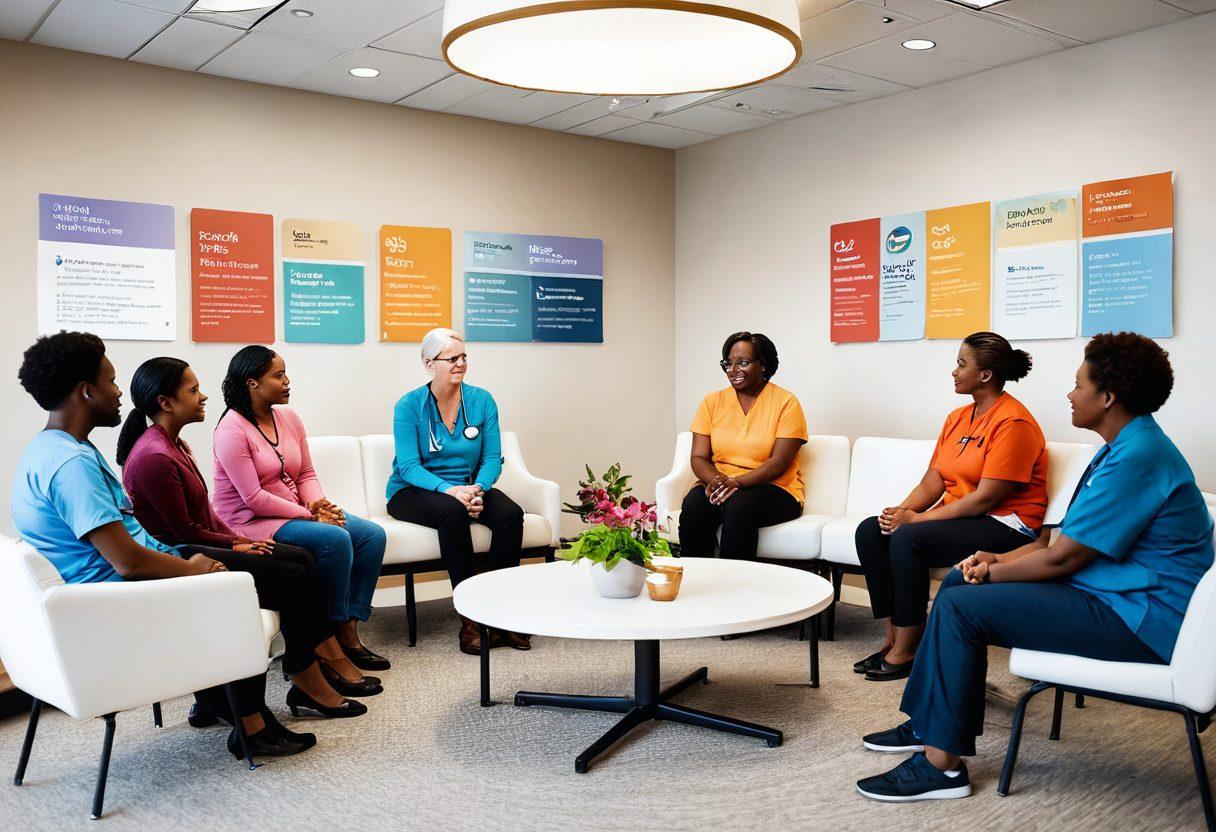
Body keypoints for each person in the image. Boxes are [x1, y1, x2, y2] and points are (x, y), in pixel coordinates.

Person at [856, 332, 1214, 803]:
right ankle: (930, 725)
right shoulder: (1122, 449)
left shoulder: (1138, 459)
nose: (1069, 394)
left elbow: (1063, 559)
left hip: (1143, 619)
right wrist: (996, 559)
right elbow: (1068, 544)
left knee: (964, 603)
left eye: (1078, 384)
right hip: (1114, 597)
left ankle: (941, 767)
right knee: (959, 588)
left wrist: (992, 571)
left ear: (1107, 398)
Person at [10, 332, 313, 759]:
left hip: (124, 581)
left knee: (286, 569)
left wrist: (199, 556)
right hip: (123, 598)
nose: (120, 393)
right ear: (86, 391)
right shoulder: (71, 465)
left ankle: (221, 699)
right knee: (251, 582)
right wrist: (196, 568)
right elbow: (128, 561)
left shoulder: (51, 448)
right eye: (112, 382)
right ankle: (250, 722)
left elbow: (130, 544)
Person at [117, 357, 376, 719]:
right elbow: (182, 533)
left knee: (301, 560)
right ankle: (308, 672)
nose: (203, 396)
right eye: (192, 391)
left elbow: (204, 515)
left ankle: (315, 662)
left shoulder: (174, 444)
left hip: (203, 541)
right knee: (296, 571)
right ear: (165, 403)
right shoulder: (155, 456)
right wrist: (236, 542)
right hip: (182, 556)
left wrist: (235, 538)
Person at [854, 332, 1048, 681]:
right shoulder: (957, 417)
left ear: (985, 375)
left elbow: (986, 498)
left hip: (1007, 524)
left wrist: (916, 521)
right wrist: (900, 512)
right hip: (966, 515)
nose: (954, 372)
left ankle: (909, 649)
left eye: (962, 364)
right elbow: (935, 479)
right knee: (873, 530)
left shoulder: (1014, 422)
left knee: (908, 538)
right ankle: (894, 636)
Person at [211, 346, 390, 672]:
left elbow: (305, 473)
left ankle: (348, 629)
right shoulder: (231, 430)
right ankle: (327, 639)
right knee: (334, 540)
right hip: (251, 522)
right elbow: (253, 497)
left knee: (371, 536)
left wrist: (321, 506)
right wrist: (312, 516)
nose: (287, 381)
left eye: (285, 374)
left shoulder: (288, 417)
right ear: (252, 383)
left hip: (295, 511)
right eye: (278, 376)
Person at [386, 328, 528, 656]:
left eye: (464, 357)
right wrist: (452, 492)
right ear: (429, 364)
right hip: (413, 490)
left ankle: (501, 612)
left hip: (468, 485)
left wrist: (478, 488)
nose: (461, 363)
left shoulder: (481, 400)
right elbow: (408, 466)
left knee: (510, 514)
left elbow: (492, 457)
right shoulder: (409, 406)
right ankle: (471, 619)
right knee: (451, 512)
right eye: (452, 358)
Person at [678, 331, 807, 560]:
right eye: (728, 363)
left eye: (743, 363)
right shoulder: (712, 401)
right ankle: (697, 580)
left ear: (763, 365)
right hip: (721, 483)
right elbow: (698, 457)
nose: (733, 370)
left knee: (739, 505)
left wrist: (734, 483)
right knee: (694, 504)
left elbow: (778, 463)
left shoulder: (786, 402)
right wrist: (718, 481)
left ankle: (737, 587)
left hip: (776, 488)